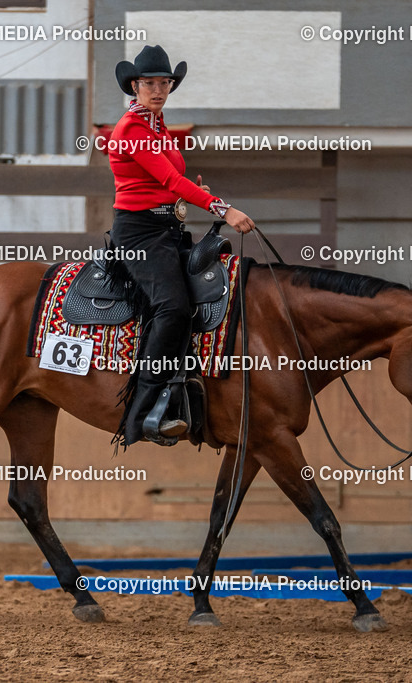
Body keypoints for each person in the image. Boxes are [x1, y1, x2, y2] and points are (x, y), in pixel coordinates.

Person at [109, 45, 255, 446]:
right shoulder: (132, 128)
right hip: (139, 234)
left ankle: (184, 389)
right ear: (134, 86)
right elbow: (172, 181)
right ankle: (142, 410)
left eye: (165, 83)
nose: (158, 90)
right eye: (150, 83)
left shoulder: (157, 123)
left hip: (164, 228)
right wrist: (221, 208)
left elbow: (164, 184)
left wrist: (185, 198)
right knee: (171, 306)